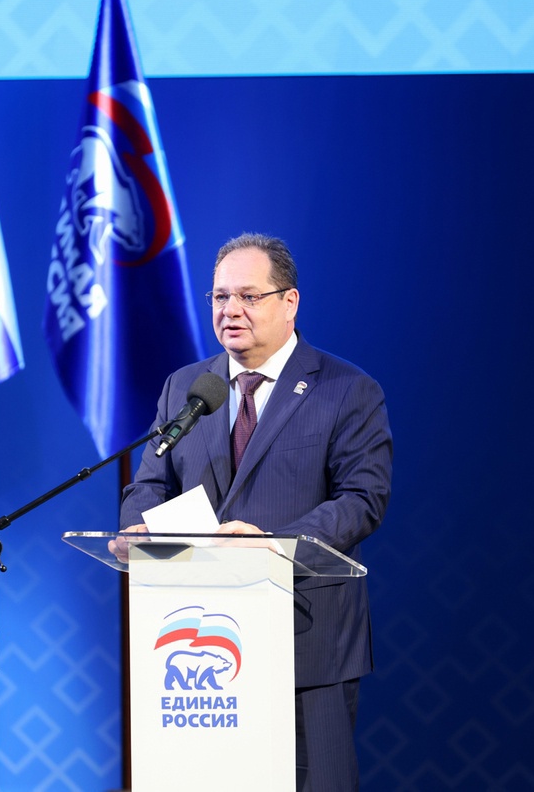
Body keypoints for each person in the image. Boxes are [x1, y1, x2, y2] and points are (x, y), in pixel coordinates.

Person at [119, 232, 393, 792]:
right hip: (197, 645)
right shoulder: (186, 388)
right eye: (220, 297)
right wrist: (140, 527)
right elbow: (149, 483)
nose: (231, 310)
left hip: (305, 642)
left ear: (289, 302)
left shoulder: (347, 390)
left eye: (248, 296)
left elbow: (362, 500)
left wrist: (276, 544)